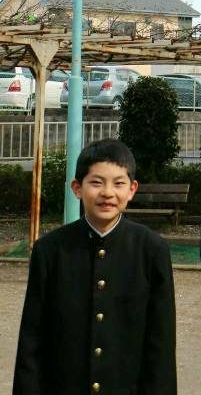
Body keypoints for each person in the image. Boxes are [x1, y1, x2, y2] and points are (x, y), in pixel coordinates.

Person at [13, 138, 177, 395]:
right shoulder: (50, 250)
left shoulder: (151, 250)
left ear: (132, 189)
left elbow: (161, 345)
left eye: (119, 183)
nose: (108, 193)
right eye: (96, 182)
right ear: (77, 188)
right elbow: (32, 339)